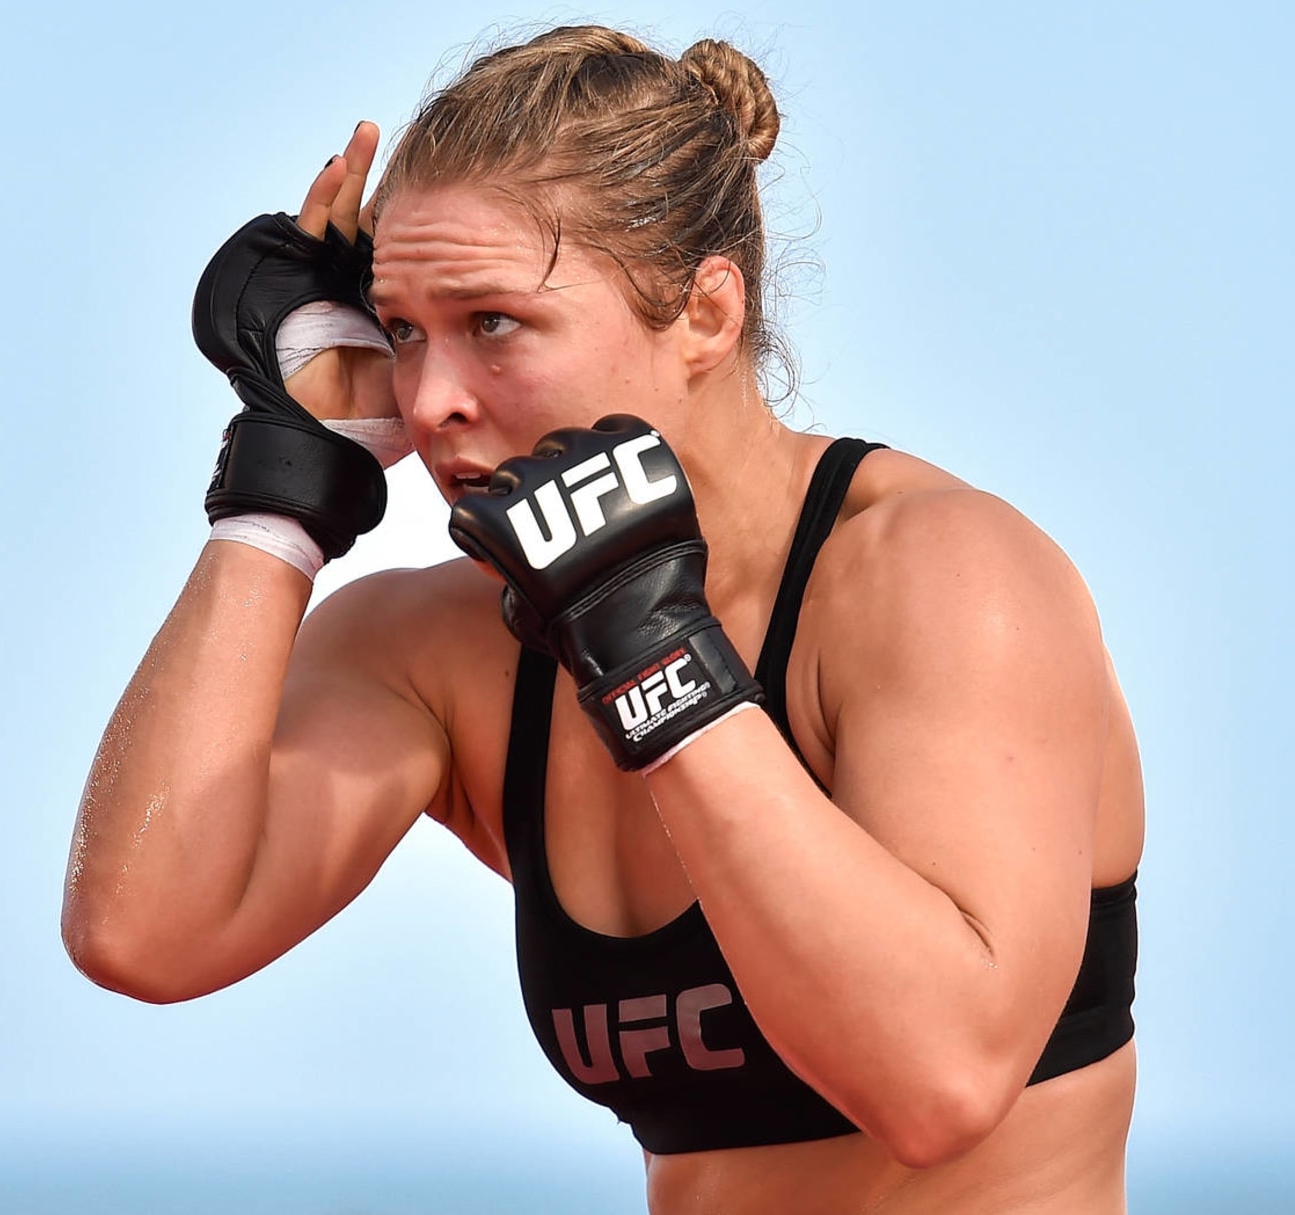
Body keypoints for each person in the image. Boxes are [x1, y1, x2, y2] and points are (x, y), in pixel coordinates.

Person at [63, 25, 1142, 1215]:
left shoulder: (938, 577)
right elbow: (144, 932)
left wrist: (655, 654)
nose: (428, 403)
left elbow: (938, 1083)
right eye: (403, 330)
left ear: (706, 315)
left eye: (493, 324)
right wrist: (279, 493)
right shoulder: (447, 650)